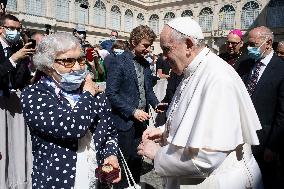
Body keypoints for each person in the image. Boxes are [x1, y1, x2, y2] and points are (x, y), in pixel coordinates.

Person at [138, 17, 263, 189]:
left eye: (167, 49)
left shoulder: (218, 78)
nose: (164, 57)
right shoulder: (193, 70)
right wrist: (163, 131)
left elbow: (205, 159)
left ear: (188, 44)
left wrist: (158, 154)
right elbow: (189, 116)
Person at [20, 33, 121, 189]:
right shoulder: (34, 94)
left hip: (95, 180)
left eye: (80, 60)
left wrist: (111, 155)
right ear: (48, 66)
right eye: (67, 61)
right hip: (58, 181)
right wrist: (88, 95)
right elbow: (73, 127)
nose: (77, 67)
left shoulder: (94, 91)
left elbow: (110, 132)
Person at [106, 25, 165, 188]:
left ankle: (135, 185)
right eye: (145, 45)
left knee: (137, 158)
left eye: (150, 45)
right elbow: (111, 94)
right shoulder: (118, 62)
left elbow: (148, 90)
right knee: (123, 162)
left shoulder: (145, 64)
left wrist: (156, 104)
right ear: (133, 42)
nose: (148, 49)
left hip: (141, 122)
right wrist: (132, 111)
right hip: (123, 122)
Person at [238, 26, 284, 188]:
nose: (249, 48)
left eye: (253, 44)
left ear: (268, 43)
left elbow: (282, 114)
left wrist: (272, 146)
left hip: (264, 142)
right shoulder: (244, 64)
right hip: (240, 136)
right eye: (247, 44)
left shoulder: (281, 69)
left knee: (264, 180)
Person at [0, 14, 35, 189]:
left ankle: (19, 183)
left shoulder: (19, 48)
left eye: (18, 29)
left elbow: (22, 80)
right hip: (0, 103)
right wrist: (13, 59)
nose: (15, 32)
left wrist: (28, 62)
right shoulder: (12, 52)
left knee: (18, 145)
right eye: (12, 28)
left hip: (16, 102)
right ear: (1, 29)